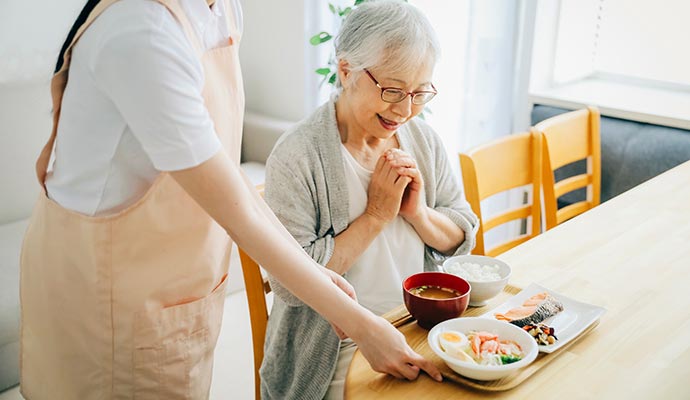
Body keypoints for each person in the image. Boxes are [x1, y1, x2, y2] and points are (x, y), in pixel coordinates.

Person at [18, 0, 441, 398]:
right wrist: (359, 324)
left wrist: (319, 279)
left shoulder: (221, 11)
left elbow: (227, 174)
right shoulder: (141, 33)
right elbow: (238, 215)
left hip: (176, 286)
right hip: (106, 295)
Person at [259, 1, 479, 399]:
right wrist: (376, 214)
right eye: (392, 90)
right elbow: (291, 285)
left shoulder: (423, 142)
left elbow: (462, 230)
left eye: (419, 93)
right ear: (346, 71)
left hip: (419, 326)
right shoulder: (297, 156)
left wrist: (418, 214)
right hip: (335, 349)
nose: (406, 110)